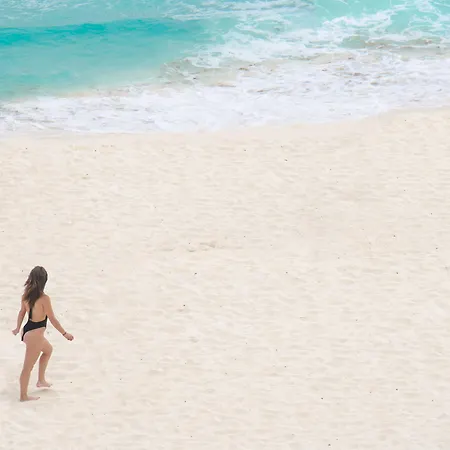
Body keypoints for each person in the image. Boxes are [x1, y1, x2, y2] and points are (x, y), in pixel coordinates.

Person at [11, 266, 74, 402]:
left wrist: (17, 328)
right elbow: (52, 319)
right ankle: (23, 396)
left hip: (27, 330)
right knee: (27, 368)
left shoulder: (26, 295)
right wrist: (65, 334)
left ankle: (41, 380)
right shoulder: (44, 299)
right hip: (35, 336)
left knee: (48, 350)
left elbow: (21, 313)